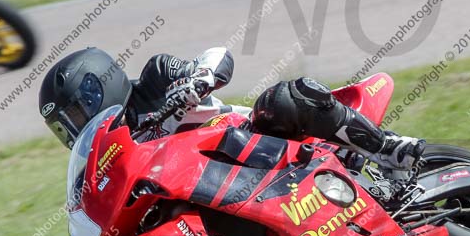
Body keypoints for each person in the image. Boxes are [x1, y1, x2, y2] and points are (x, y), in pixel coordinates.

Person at [38, 47, 425, 171]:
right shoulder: (111, 155)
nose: (73, 131)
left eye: (73, 116)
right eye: (64, 127)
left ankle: (387, 148)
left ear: (97, 86)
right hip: (215, 183)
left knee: (284, 99)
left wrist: (198, 79)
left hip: (255, 140)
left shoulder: (155, 77)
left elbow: (217, 54)